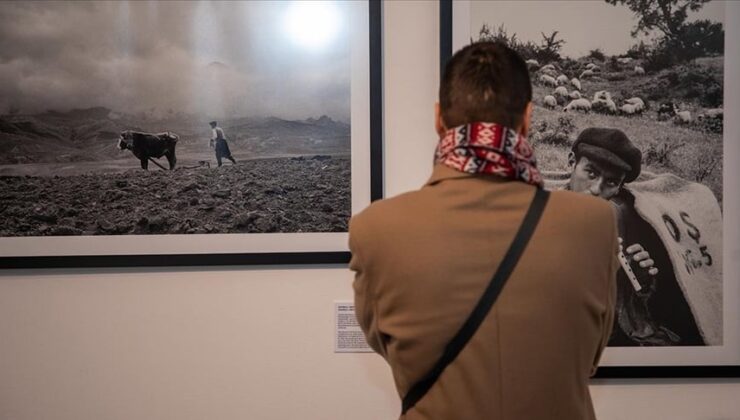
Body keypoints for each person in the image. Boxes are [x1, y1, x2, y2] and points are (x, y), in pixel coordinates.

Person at [349, 42, 618, 419]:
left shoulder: (373, 229)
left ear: (439, 119)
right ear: (527, 119)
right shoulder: (595, 224)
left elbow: (387, 346)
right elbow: (589, 356)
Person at [562, 128, 705, 346]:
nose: (595, 189)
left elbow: (635, 308)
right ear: (572, 161)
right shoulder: (541, 210)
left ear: (619, 187)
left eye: (611, 182)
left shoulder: (620, 216)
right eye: (590, 173)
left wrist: (641, 281)